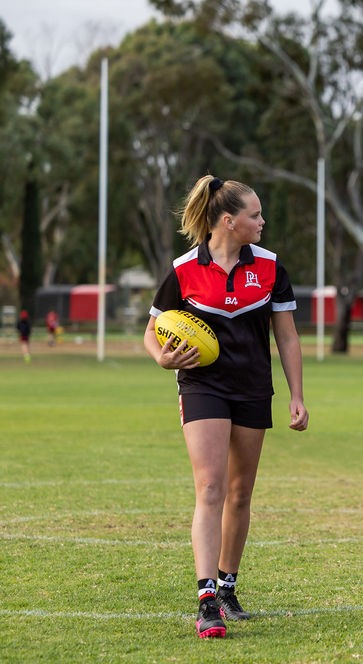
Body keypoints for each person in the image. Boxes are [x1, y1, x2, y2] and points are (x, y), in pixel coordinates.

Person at [144, 175, 309, 638]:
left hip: (253, 388)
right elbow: (151, 330)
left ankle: (229, 584)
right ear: (228, 221)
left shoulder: (272, 267)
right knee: (211, 488)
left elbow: (287, 336)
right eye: (255, 215)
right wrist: (162, 356)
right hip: (202, 386)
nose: (263, 222)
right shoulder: (183, 270)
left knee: (239, 492)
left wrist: (297, 395)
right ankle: (207, 597)